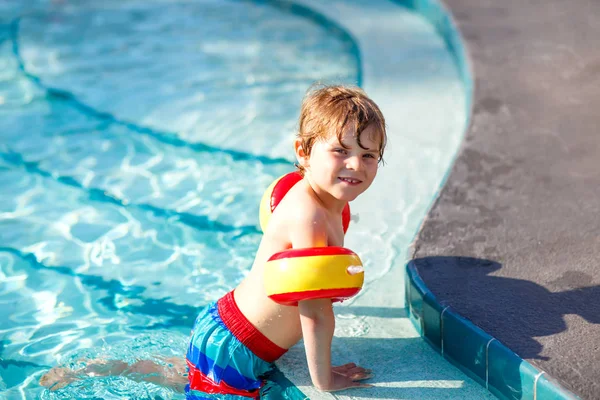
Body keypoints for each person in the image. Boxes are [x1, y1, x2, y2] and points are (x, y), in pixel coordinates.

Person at [41, 84, 387, 398]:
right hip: (241, 348)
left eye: (369, 155)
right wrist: (323, 379)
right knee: (201, 383)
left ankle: (104, 367)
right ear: (304, 151)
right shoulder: (309, 216)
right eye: (341, 151)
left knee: (186, 376)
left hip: (228, 327)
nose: (355, 164)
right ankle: (98, 371)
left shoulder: (328, 202)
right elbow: (315, 311)